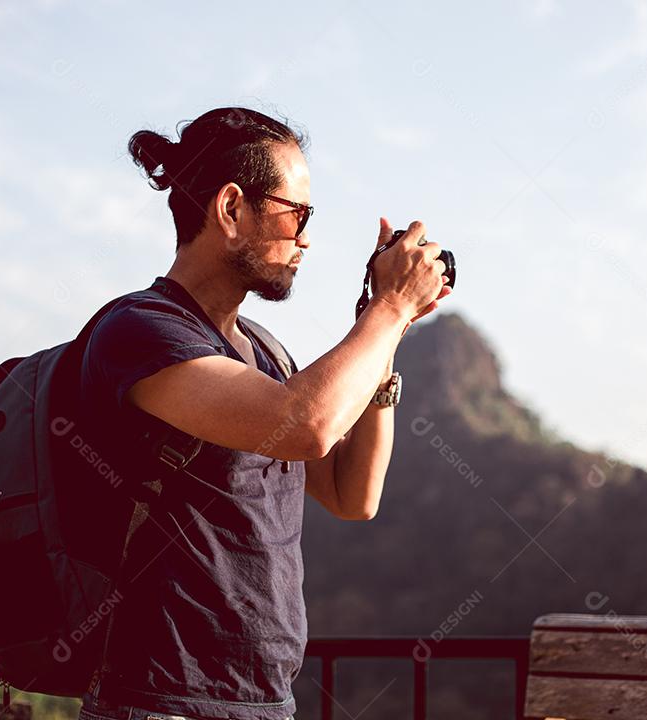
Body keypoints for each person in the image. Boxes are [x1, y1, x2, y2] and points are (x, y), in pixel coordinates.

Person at [76, 107, 451, 720]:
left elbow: (352, 494)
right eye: (298, 213)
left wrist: (386, 329)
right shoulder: (142, 331)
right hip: (160, 701)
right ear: (231, 209)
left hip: (264, 700)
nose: (307, 238)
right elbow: (307, 426)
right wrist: (390, 305)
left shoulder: (266, 354)